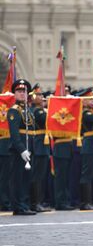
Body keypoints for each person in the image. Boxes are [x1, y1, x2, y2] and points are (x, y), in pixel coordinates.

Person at [7, 79, 37, 215]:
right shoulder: (14, 111)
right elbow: (14, 134)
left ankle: (24, 204)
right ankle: (18, 206)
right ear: (14, 94)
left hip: (29, 146)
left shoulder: (28, 110)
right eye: (19, 91)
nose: (22, 94)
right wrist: (22, 150)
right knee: (17, 179)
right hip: (19, 149)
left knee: (27, 178)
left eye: (24, 91)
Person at [78, 87, 93, 211]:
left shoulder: (92, 112)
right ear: (84, 101)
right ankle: (85, 202)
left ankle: (90, 200)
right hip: (89, 144)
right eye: (90, 99)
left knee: (91, 174)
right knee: (86, 174)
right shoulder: (85, 113)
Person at [29, 84, 51, 212]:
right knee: (37, 175)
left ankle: (38, 201)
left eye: (42, 95)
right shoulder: (38, 111)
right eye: (38, 95)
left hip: (40, 144)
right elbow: (49, 121)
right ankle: (35, 203)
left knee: (40, 175)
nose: (42, 97)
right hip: (39, 145)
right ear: (32, 97)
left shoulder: (36, 110)